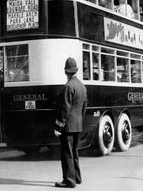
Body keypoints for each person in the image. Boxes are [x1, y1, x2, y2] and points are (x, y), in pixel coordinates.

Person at [54, 57, 87, 188]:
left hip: (67, 127)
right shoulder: (81, 86)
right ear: (76, 70)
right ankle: (77, 178)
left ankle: (69, 180)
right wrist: (79, 120)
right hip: (78, 125)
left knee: (67, 153)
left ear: (65, 71)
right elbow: (84, 106)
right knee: (75, 152)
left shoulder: (68, 86)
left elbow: (64, 110)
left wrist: (58, 126)